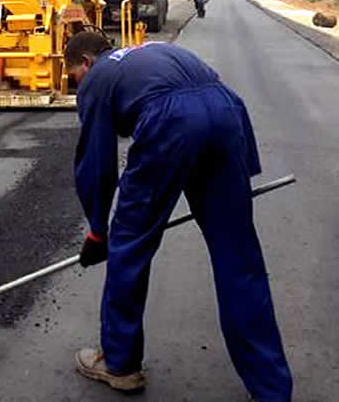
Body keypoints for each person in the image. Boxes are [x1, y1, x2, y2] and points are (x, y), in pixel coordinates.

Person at [64, 31, 292, 401]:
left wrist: (97, 230)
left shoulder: (98, 77)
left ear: (86, 63)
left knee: (129, 246)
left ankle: (120, 364)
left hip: (170, 122)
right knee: (239, 259)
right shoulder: (149, 52)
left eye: (75, 77)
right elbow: (218, 97)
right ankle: (272, 389)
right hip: (226, 112)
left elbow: (96, 162)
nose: (77, 86)